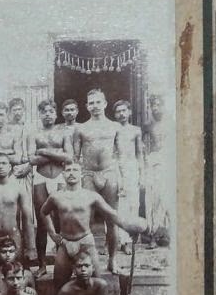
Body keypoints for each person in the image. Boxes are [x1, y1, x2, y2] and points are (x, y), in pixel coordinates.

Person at [40, 160, 146, 292]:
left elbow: (112, 214)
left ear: (81, 174)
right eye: (68, 170)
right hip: (65, 243)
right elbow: (43, 212)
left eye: (75, 170)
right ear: (63, 174)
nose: (71, 173)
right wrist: (53, 234)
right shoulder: (56, 197)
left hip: (86, 242)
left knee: (97, 285)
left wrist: (129, 226)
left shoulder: (91, 196)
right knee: (59, 286)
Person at [73, 88, 125, 273]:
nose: (95, 106)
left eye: (98, 102)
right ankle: (85, 263)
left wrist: (123, 180)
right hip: (88, 174)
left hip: (109, 173)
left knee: (112, 219)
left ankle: (112, 260)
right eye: (91, 103)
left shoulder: (115, 127)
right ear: (87, 106)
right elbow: (74, 157)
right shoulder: (81, 128)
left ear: (105, 103)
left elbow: (122, 156)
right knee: (83, 220)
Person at [26, 99, 73, 276]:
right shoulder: (35, 135)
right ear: (40, 114)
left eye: (51, 111)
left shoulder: (64, 134)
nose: (48, 114)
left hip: (60, 177)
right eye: (44, 112)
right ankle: (42, 265)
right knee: (42, 220)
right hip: (41, 178)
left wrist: (44, 151)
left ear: (56, 114)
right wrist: (57, 155)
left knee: (63, 220)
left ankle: (65, 261)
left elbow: (69, 158)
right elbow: (31, 159)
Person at [113, 100, 144, 254]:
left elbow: (139, 153)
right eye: (118, 111)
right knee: (120, 205)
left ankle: (132, 239)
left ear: (129, 112)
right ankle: (121, 241)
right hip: (118, 167)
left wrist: (142, 173)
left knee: (134, 203)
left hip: (132, 168)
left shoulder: (136, 130)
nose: (122, 114)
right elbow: (112, 152)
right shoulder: (113, 130)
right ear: (115, 114)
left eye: (124, 110)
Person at [142, 93, 171, 248]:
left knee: (166, 198)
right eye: (153, 105)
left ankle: (166, 234)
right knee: (152, 199)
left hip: (168, 160)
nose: (155, 108)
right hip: (153, 161)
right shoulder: (148, 125)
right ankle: (152, 235)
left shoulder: (172, 122)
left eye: (158, 105)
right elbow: (142, 145)